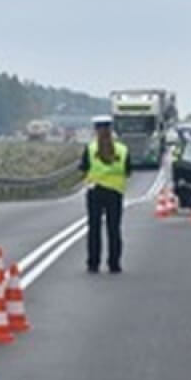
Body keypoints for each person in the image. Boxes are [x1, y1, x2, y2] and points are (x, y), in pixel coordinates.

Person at [80, 116, 131, 273]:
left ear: (96, 130)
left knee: (94, 228)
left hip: (95, 192)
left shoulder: (90, 149)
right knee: (114, 229)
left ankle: (93, 263)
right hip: (115, 193)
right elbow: (128, 171)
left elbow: (83, 168)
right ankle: (114, 264)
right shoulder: (122, 150)